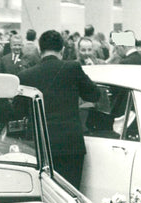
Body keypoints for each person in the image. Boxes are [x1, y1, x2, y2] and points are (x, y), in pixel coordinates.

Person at [19, 29, 100, 190]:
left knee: (45, 193)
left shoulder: (26, 75)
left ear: (40, 50)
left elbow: (19, 110)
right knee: (70, 194)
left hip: (40, 146)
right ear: (62, 50)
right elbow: (94, 95)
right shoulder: (73, 68)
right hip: (71, 144)